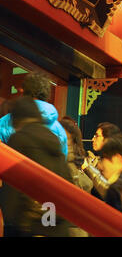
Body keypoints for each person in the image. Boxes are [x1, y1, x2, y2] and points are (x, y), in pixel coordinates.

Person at [0, 96, 72, 237]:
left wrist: (10, 219)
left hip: (31, 226)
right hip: (55, 222)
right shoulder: (53, 138)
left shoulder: (19, 138)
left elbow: (12, 187)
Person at [0, 72, 68, 158]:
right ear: (47, 95)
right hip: (44, 171)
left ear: (24, 92)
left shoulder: (7, 121)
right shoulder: (59, 129)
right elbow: (62, 159)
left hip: (14, 170)